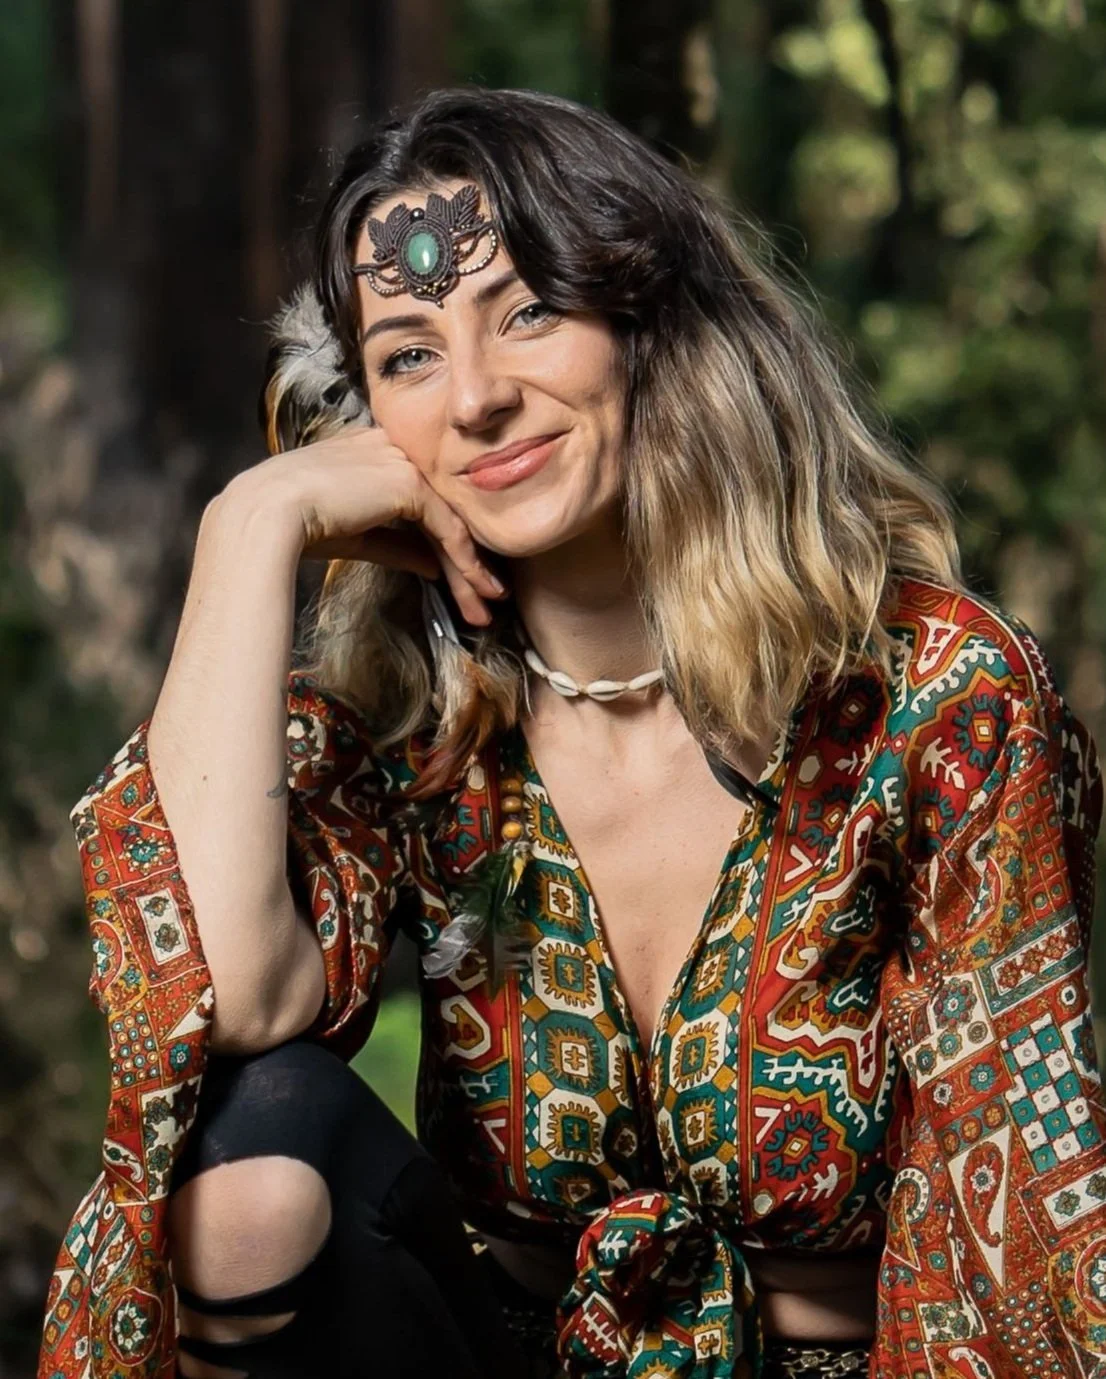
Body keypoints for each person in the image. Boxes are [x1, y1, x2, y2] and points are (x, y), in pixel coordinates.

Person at [37, 86, 1106, 1379]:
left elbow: (1006, 1207)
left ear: (653, 325)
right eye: (409, 353)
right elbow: (225, 1004)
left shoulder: (931, 695)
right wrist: (251, 525)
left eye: (528, 309)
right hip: (504, 1352)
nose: (477, 396)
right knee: (246, 1148)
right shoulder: (411, 724)